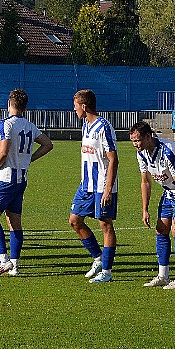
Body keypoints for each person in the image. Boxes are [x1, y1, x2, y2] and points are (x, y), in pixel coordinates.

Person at [0, 89, 53, 277]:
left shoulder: (5, 124)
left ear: (9, 103)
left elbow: (3, 151)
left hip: (4, 178)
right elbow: (48, 144)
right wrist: (29, 158)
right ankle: (14, 265)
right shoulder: (29, 125)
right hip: (21, 178)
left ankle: (3, 260)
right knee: (14, 222)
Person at [130, 121, 175, 289]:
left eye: (138, 140)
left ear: (148, 136)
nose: (135, 145)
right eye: (133, 141)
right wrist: (145, 209)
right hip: (168, 190)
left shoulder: (168, 152)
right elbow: (145, 181)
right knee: (161, 229)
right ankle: (162, 275)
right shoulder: (141, 153)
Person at [69, 89, 119, 283]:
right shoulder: (85, 126)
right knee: (74, 220)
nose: (74, 110)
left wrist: (108, 189)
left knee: (105, 225)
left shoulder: (103, 126)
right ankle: (98, 258)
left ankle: (106, 271)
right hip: (86, 185)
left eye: (75, 106)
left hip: (101, 185)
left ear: (84, 106)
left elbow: (113, 160)